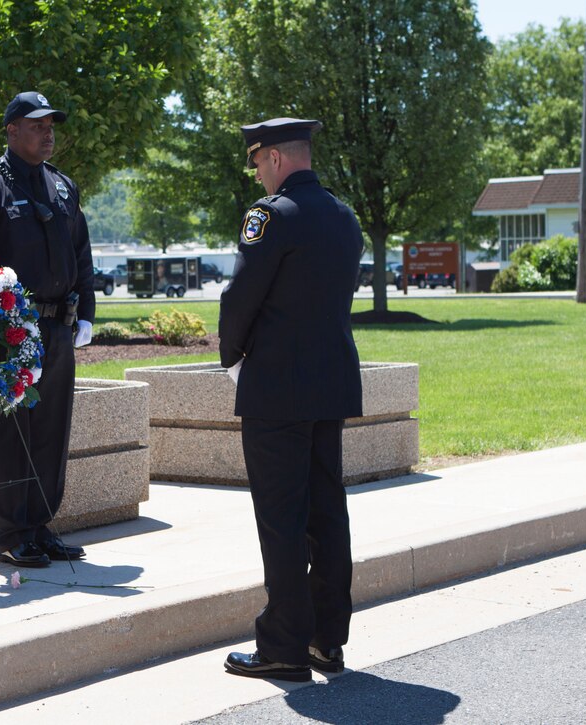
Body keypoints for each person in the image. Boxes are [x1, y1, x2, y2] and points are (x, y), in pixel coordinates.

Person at [219, 117, 364, 682]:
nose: (257, 174)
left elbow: (240, 298)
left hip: (277, 388)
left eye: (257, 162)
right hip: (330, 385)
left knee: (282, 520)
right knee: (327, 515)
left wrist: (231, 357)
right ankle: (327, 640)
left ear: (275, 158)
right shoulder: (343, 215)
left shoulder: (270, 217)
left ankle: (282, 645)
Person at [0, 91, 94, 568]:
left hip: (56, 330)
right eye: (36, 125)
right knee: (8, 436)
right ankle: (13, 534)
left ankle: (40, 525)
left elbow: (82, 256)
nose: (47, 132)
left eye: (51, 125)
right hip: (7, 336)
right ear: (12, 130)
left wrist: (87, 314)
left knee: (51, 431)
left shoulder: (63, 187)